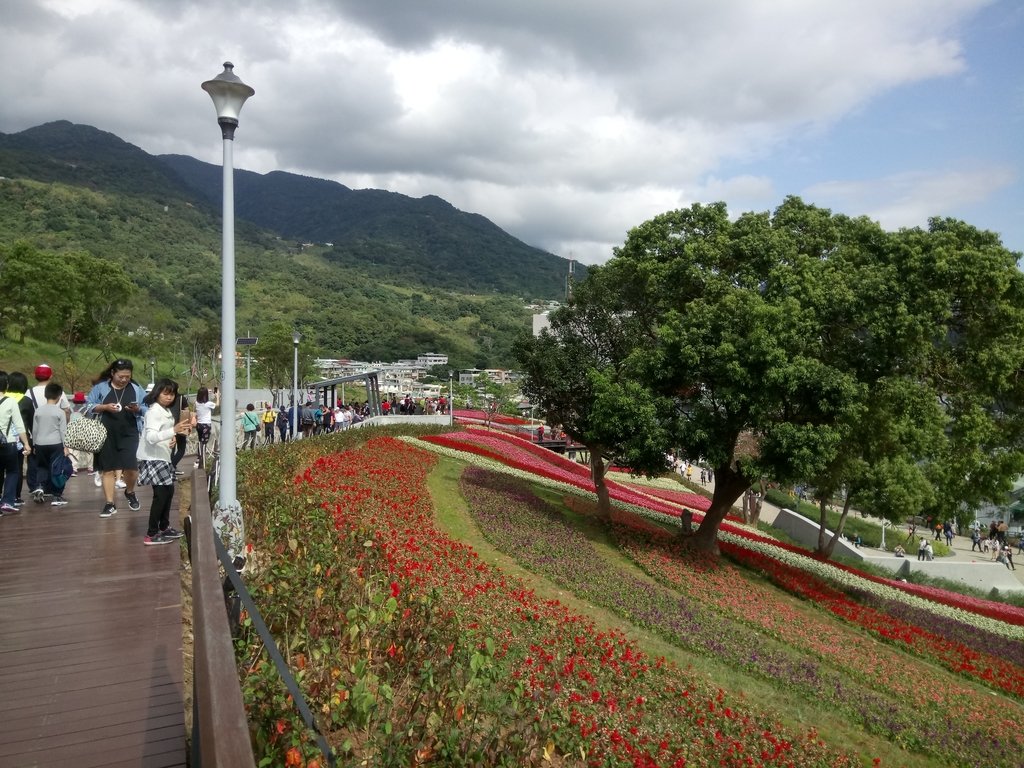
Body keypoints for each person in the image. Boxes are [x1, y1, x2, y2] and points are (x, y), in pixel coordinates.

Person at [84, 358, 147, 518]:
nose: (124, 379)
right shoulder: (101, 388)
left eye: (127, 376)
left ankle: (130, 491)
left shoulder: (136, 388)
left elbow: (147, 408)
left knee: (132, 469)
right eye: (121, 376)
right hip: (105, 434)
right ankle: (109, 503)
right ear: (112, 373)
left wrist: (138, 409)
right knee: (108, 469)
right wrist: (104, 407)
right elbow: (88, 406)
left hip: (130, 433)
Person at [137, 378, 190, 545]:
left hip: (162, 456)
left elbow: (161, 434)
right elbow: (151, 437)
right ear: (157, 393)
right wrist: (173, 431)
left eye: (172, 394)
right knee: (160, 496)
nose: (169, 397)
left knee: (168, 492)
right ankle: (151, 534)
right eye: (165, 393)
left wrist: (171, 438)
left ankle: (164, 527)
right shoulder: (153, 412)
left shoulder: (164, 410)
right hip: (153, 459)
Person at [31, 382, 70, 506]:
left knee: (41, 467)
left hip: (40, 443)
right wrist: (66, 446)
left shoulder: (38, 411)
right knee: (56, 469)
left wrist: (34, 445)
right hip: (56, 443)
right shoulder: (60, 412)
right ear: (59, 396)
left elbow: (35, 429)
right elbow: (63, 430)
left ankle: (40, 486)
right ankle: (57, 496)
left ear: (45, 395)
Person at [0, 372, 33, 515]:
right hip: (8, 443)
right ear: (6, 385)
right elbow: (19, 426)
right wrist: (26, 443)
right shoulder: (10, 401)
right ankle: (7, 500)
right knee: (13, 471)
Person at [193, 386, 219, 468]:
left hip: (199, 425)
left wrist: (207, 391)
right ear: (206, 395)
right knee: (204, 443)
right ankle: (200, 460)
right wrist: (217, 396)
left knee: (200, 441)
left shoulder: (197, 402)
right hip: (206, 426)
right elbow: (217, 405)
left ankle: (199, 458)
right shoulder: (208, 404)